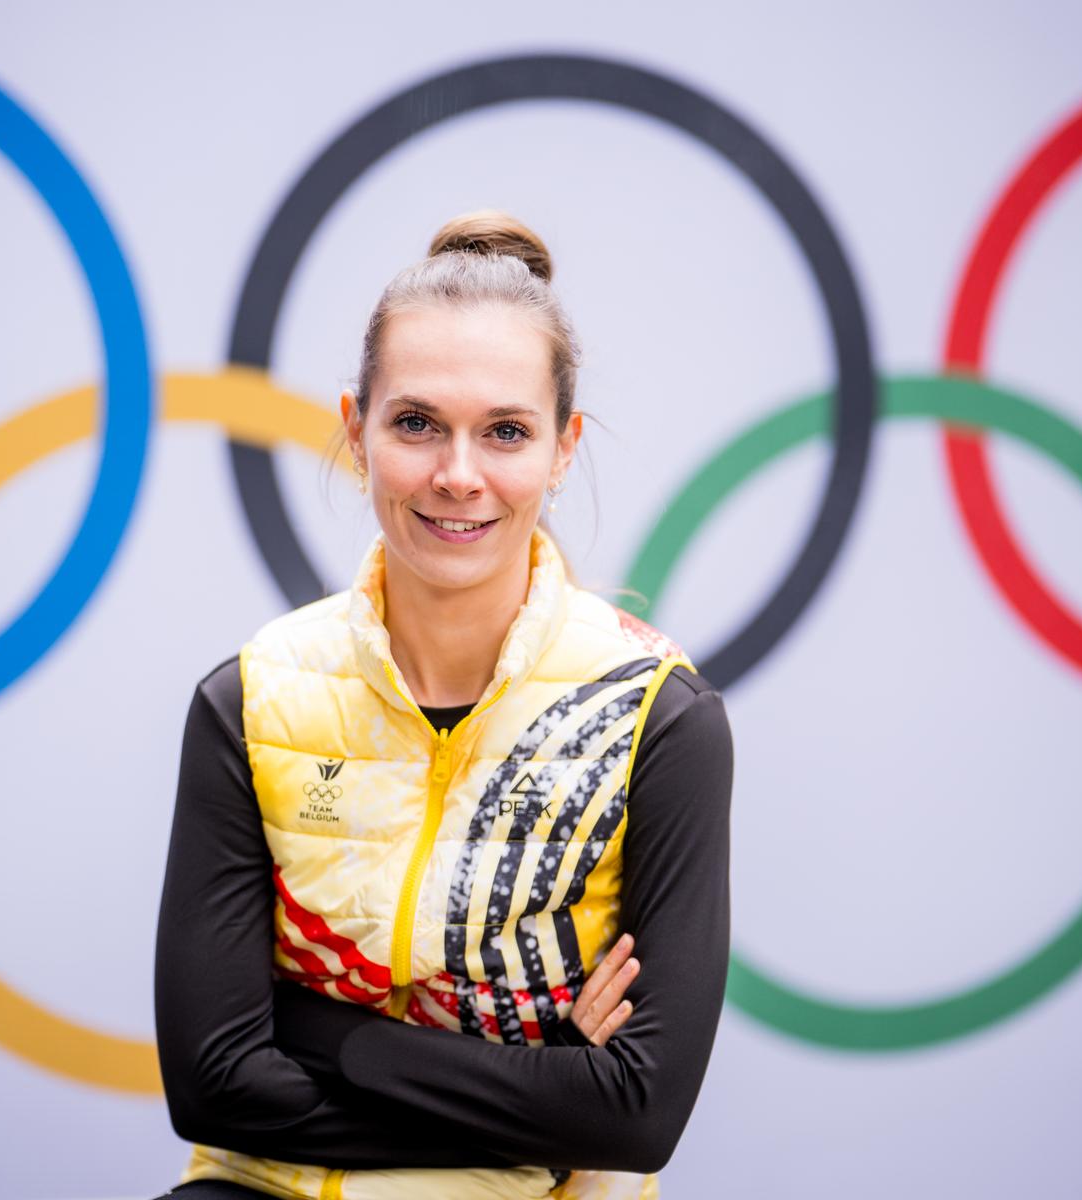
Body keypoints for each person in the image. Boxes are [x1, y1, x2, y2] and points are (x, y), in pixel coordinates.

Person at [153, 211, 734, 1199]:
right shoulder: (252, 696)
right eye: (416, 422)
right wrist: (542, 1090)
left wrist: (317, 1029)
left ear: (562, 448)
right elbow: (210, 1086)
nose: (457, 474)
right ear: (355, 427)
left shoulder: (657, 716)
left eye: (505, 430)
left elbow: (636, 1113)